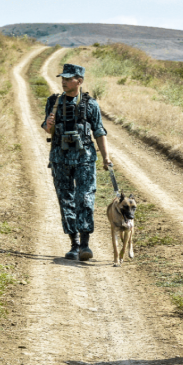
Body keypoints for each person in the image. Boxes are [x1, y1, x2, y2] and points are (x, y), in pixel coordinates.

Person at [42, 63, 112, 261]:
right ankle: (73, 244)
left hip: (85, 159)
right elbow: (48, 130)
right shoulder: (53, 102)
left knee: (85, 199)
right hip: (60, 158)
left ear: (79, 81)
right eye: (62, 78)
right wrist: (49, 126)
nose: (63, 82)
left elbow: (99, 131)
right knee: (66, 199)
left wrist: (106, 157)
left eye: (68, 78)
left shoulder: (91, 104)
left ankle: (85, 244)